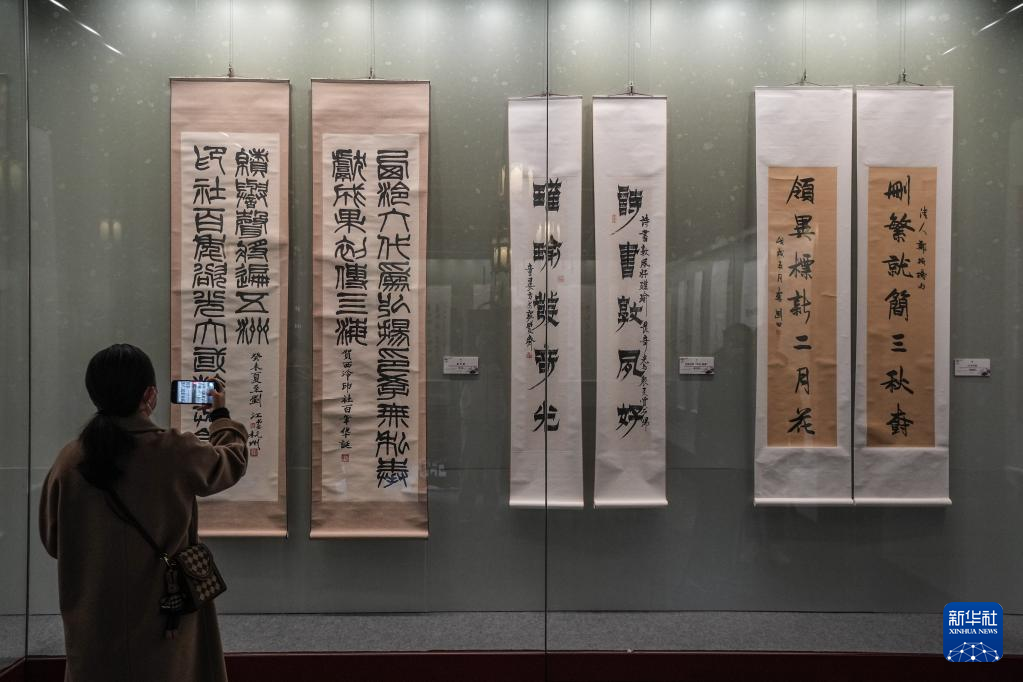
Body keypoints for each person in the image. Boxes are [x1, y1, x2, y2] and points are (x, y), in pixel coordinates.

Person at [39, 344, 248, 682]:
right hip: (165, 620)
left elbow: (53, 541)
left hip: (96, 625)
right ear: (150, 395)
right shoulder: (174, 451)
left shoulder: (69, 460)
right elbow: (232, 461)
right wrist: (219, 416)